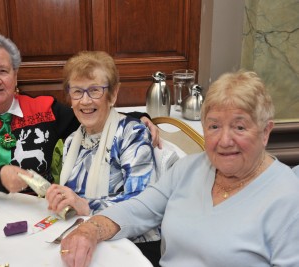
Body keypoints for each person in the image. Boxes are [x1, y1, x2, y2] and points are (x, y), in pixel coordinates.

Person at [59, 70, 299, 267]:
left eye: (239, 127)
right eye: (214, 126)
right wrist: (89, 229)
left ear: (265, 132)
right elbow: (137, 210)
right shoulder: (188, 169)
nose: (224, 140)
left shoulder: (287, 196)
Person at [0, 33, 159, 196]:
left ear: (15, 75)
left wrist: (139, 118)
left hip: (38, 212)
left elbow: (91, 113)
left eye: (3, 71)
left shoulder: (45, 109)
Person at [45, 51, 167, 265]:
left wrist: (85, 205)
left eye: (94, 91)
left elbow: (143, 202)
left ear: (113, 94)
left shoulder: (132, 134)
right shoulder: (73, 141)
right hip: (86, 238)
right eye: (77, 92)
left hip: (134, 246)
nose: (85, 100)